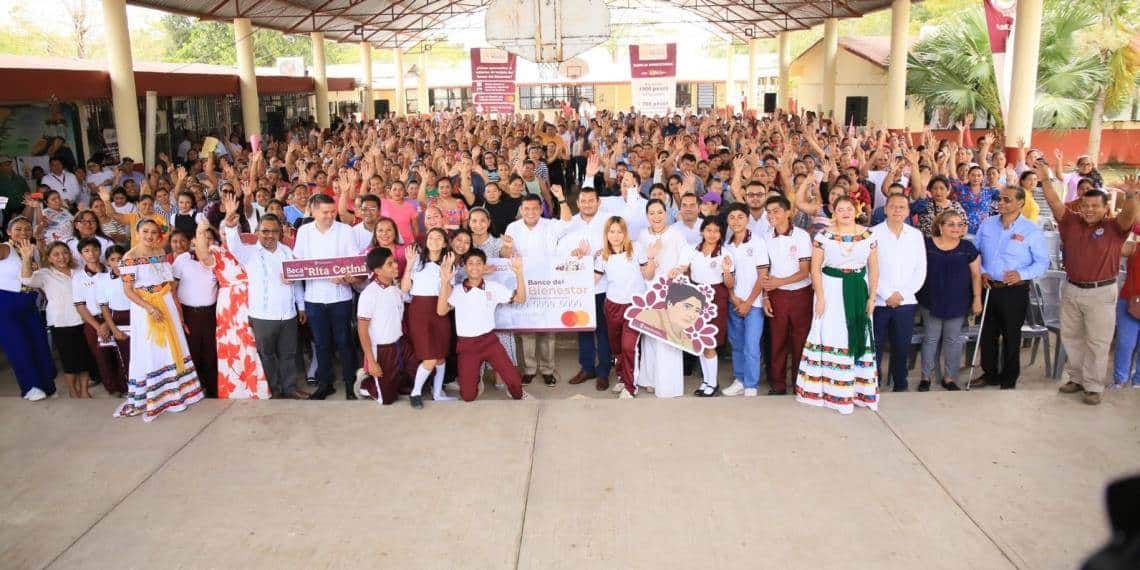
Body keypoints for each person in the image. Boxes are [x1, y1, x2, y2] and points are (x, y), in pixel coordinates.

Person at [1042, 169, 1137, 405]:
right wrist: (1045, 180)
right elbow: (1054, 202)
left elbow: (1128, 217)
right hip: (1072, 288)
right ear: (1079, 205)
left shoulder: (1115, 228)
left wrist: (1131, 196)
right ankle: (1076, 378)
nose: (1090, 209)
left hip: (1101, 292)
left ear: (1106, 208)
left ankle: (1093, 386)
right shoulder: (1070, 221)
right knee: (1072, 337)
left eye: (1095, 205)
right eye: (1086, 205)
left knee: (1098, 340)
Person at [795, 196, 880, 415]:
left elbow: (874, 269)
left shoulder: (868, 235)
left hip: (858, 289)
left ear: (856, 210)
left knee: (857, 334)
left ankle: (859, 392)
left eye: (849, 208)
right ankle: (833, 393)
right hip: (831, 290)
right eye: (840, 209)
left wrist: (872, 297)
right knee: (833, 335)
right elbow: (815, 268)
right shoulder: (823, 236)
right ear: (834, 212)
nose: (845, 212)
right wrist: (821, 296)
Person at [114, 218, 204, 421]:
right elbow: (128, 291)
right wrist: (149, 307)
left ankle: (177, 393)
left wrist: (178, 314)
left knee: (173, 349)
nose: (150, 236)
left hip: (167, 304)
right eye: (145, 231)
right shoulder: (129, 257)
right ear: (137, 232)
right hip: (146, 309)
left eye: (154, 232)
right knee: (152, 350)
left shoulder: (160, 253)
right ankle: (156, 397)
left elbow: (169, 284)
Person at [223, 208, 308, 399]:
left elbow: (296, 281)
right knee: (267, 356)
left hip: (288, 314)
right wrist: (230, 226)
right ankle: (273, 390)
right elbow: (233, 245)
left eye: (274, 231)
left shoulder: (287, 252)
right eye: (265, 231)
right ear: (258, 232)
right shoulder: (248, 253)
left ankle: (290, 388)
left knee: (288, 354)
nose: (270, 235)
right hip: (262, 316)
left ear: (280, 232)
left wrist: (301, 306)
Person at [972, 185, 1049, 390]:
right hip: (989, 286)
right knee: (987, 334)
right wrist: (981, 271)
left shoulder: (1031, 230)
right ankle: (989, 374)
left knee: (1011, 335)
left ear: (1020, 203)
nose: (1002, 203)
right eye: (1000, 199)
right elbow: (975, 253)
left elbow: (1042, 263)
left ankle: (1008, 378)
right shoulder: (987, 224)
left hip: (1014, 290)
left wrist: (1021, 274)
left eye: (1007, 200)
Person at [437, 248, 529, 402]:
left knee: (515, 385)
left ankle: (515, 390)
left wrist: (519, 273)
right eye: (470, 263)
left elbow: (520, 299)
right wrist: (444, 281)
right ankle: (474, 378)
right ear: (465, 266)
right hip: (467, 346)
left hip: (489, 341)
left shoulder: (493, 287)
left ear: (484, 266)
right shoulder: (457, 290)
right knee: (468, 396)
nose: (474, 267)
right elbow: (441, 311)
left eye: (478, 263)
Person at [192, 216, 269, 399]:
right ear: (220, 234)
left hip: (254, 299)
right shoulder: (217, 251)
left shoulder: (251, 249)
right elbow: (202, 254)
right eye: (224, 231)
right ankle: (236, 390)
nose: (227, 234)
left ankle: (258, 388)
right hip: (230, 304)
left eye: (231, 230)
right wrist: (201, 230)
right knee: (233, 346)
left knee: (254, 344)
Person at [292, 193, 360, 400]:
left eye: (332, 212)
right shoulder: (304, 232)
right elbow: (298, 262)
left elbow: (355, 261)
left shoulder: (346, 231)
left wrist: (348, 276)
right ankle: (325, 383)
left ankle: (350, 383)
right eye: (325, 212)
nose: (330, 216)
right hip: (314, 298)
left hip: (340, 297)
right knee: (321, 344)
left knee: (344, 342)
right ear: (313, 211)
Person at [504, 187, 572, 386]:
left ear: (541, 209)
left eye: (535, 208)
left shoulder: (550, 225)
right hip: (523, 285)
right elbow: (506, 256)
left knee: (548, 330)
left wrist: (560, 198)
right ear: (521, 209)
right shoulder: (512, 228)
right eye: (527, 208)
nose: (531, 212)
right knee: (527, 330)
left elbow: (568, 221)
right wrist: (507, 248)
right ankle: (530, 369)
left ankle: (548, 369)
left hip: (547, 284)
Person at [917, 211, 982, 391]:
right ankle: (926, 377)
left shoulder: (968, 248)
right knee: (930, 338)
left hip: (958, 301)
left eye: (959, 224)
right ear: (940, 226)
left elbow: (976, 275)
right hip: (931, 300)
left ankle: (950, 378)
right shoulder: (926, 245)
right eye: (951, 224)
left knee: (953, 340)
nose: (956, 228)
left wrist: (977, 299)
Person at [634, 198, 693, 398]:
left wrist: (679, 268)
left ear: (666, 214)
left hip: (670, 291)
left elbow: (686, 255)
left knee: (667, 339)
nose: (656, 217)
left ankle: (667, 384)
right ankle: (649, 379)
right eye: (652, 213)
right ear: (647, 216)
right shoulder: (642, 235)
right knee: (650, 336)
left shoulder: (675, 234)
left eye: (660, 212)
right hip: (648, 290)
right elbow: (640, 263)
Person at [19, 239, 92, 398]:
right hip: (61, 323)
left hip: (83, 320)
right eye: (56, 254)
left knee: (85, 358)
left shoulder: (79, 271)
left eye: (65, 253)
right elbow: (26, 280)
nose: (62, 257)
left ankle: (85, 390)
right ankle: (73, 391)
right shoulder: (45, 274)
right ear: (49, 258)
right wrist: (26, 258)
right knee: (69, 361)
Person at [871, 193, 927, 392]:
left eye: (902, 207)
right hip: (878, 301)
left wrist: (901, 294)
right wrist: (886, 294)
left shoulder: (915, 235)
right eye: (893, 206)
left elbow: (920, 270)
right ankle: (873, 386)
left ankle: (900, 385)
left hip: (906, 301)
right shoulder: (872, 234)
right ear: (885, 209)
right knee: (875, 347)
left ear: (908, 211)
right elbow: (869, 269)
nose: (897, 210)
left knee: (901, 346)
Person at [761, 195, 812, 396]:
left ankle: (800, 383)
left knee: (800, 340)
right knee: (777, 340)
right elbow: (765, 271)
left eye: (776, 211)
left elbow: (804, 271)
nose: (772, 215)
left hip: (800, 294)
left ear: (788, 212)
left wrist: (779, 282)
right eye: (769, 212)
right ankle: (778, 384)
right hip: (776, 295)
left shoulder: (800, 236)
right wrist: (765, 296)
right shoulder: (766, 237)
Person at [400, 228, 457, 402]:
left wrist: (446, 278)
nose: (434, 240)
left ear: (445, 243)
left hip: (440, 310)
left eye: (439, 238)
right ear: (426, 241)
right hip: (419, 310)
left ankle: (437, 393)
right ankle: (415, 392)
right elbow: (404, 288)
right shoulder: (416, 261)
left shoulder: (449, 263)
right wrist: (408, 266)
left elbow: (448, 294)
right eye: (431, 237)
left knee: (440, 355)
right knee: (430, 358)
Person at [719, 202, 770, 397]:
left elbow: (762, 274)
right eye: (732, 217)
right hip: (735, 303)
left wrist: (748, 302)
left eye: (740, 217)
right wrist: (733, 298)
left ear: (747, 219)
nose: (736, 221)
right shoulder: (727, 245)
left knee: (751, 345)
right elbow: (728, 276)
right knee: (737, 344)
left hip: (754, 305)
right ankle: (739, 380)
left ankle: (751, 384)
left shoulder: (757, 242)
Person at [564, 185, 612, 390]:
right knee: (583, 329)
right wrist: (573, 253)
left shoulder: (608, 221)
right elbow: (561, 254)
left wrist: (604, 252)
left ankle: (603, 372)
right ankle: (587, 368)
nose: (587, 204)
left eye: (591, 200)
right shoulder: (570, 223)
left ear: (598, 202)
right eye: (583, 201)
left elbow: (619, 245)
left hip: (604, 287)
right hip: (580, 288)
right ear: (577, 203)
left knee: (603, 331)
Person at [594, 216, 645, 398]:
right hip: (612, 306)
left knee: (629, 347)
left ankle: (631, 387)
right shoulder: (602, 256)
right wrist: (581, 261)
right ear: (606, 234)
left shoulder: (637, 249)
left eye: (619, 231)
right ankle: (622, 378)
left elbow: (648, 273)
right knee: (616, 348)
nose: (616, 236)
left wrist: (653, 260)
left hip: (634, 306)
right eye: (612, 231)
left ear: (625, 233)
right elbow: (594, 279)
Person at [171, 225, 220, 398]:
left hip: (211, 314)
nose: (206, 241)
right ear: (194, 240)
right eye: (202, 237)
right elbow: (172, 290)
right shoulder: (183, 259)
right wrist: (180, 317)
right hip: (188, 314)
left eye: (210, 238)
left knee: (211, 353)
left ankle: (213, 391)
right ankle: (194, 391)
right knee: (192, 353)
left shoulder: (217, 260)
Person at [356, 246, 408, 405]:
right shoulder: (369, 294)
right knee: (386, 400)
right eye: (390, 264)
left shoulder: (394, 289)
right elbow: (362, 329)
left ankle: (388, 382)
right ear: (378, 270)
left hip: (397, 344)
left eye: (395, 262)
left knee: (402, 384)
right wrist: (371, 361)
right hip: (380, 349)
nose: (395, 266)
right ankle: (365, 383)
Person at [688, 216, 734, 397]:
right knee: (699, 342)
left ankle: (713, 383)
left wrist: (726, 271)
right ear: (702, 231)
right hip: (696, 296)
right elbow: (688, 272)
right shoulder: (694, 250)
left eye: (716, 231)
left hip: (716, 297)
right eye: (709, 230)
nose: (712, 234)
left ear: (721, 233)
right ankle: (706, 381)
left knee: (709, 343)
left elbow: (730, 284)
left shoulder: (726, 252)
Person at [72, 237, 123, 396]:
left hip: (114, 317)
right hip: (94, 322)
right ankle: (112, 388)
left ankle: (124, 385)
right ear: (81, 254)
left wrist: (108, 323)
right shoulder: (79, 276)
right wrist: (98, 326)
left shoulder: (111, 271)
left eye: (95, 249)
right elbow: (80, 305)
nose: (91, 253)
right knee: (102, 357)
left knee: (120, 353)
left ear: (100, 251)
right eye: (86, 251)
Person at [98, 245, 132, 397]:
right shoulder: (103, 280)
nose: (118, 263)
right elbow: (104, 307)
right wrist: (114, 329)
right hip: (118, 320)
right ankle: (127, 390)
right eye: (113, 260)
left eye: (121, 259)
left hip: (137, 317)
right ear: (107, 263)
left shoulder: (133, 276)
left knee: (140, 356)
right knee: (124, 358)